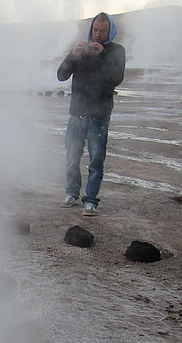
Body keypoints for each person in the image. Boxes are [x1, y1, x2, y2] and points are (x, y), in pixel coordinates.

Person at [57, 12, 126, 216]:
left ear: (110, 30)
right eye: (95, 30)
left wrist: (103, 55)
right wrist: (72, 56)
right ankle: (71, 193)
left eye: (102, 31)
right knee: (72, 156)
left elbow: (116, 79)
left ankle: (91, 201)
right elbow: (61, 75)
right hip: (77, 114)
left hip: (99, 116)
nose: (97, 35)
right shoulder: (81, 51)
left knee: (96, 160)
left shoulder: (116, 51)